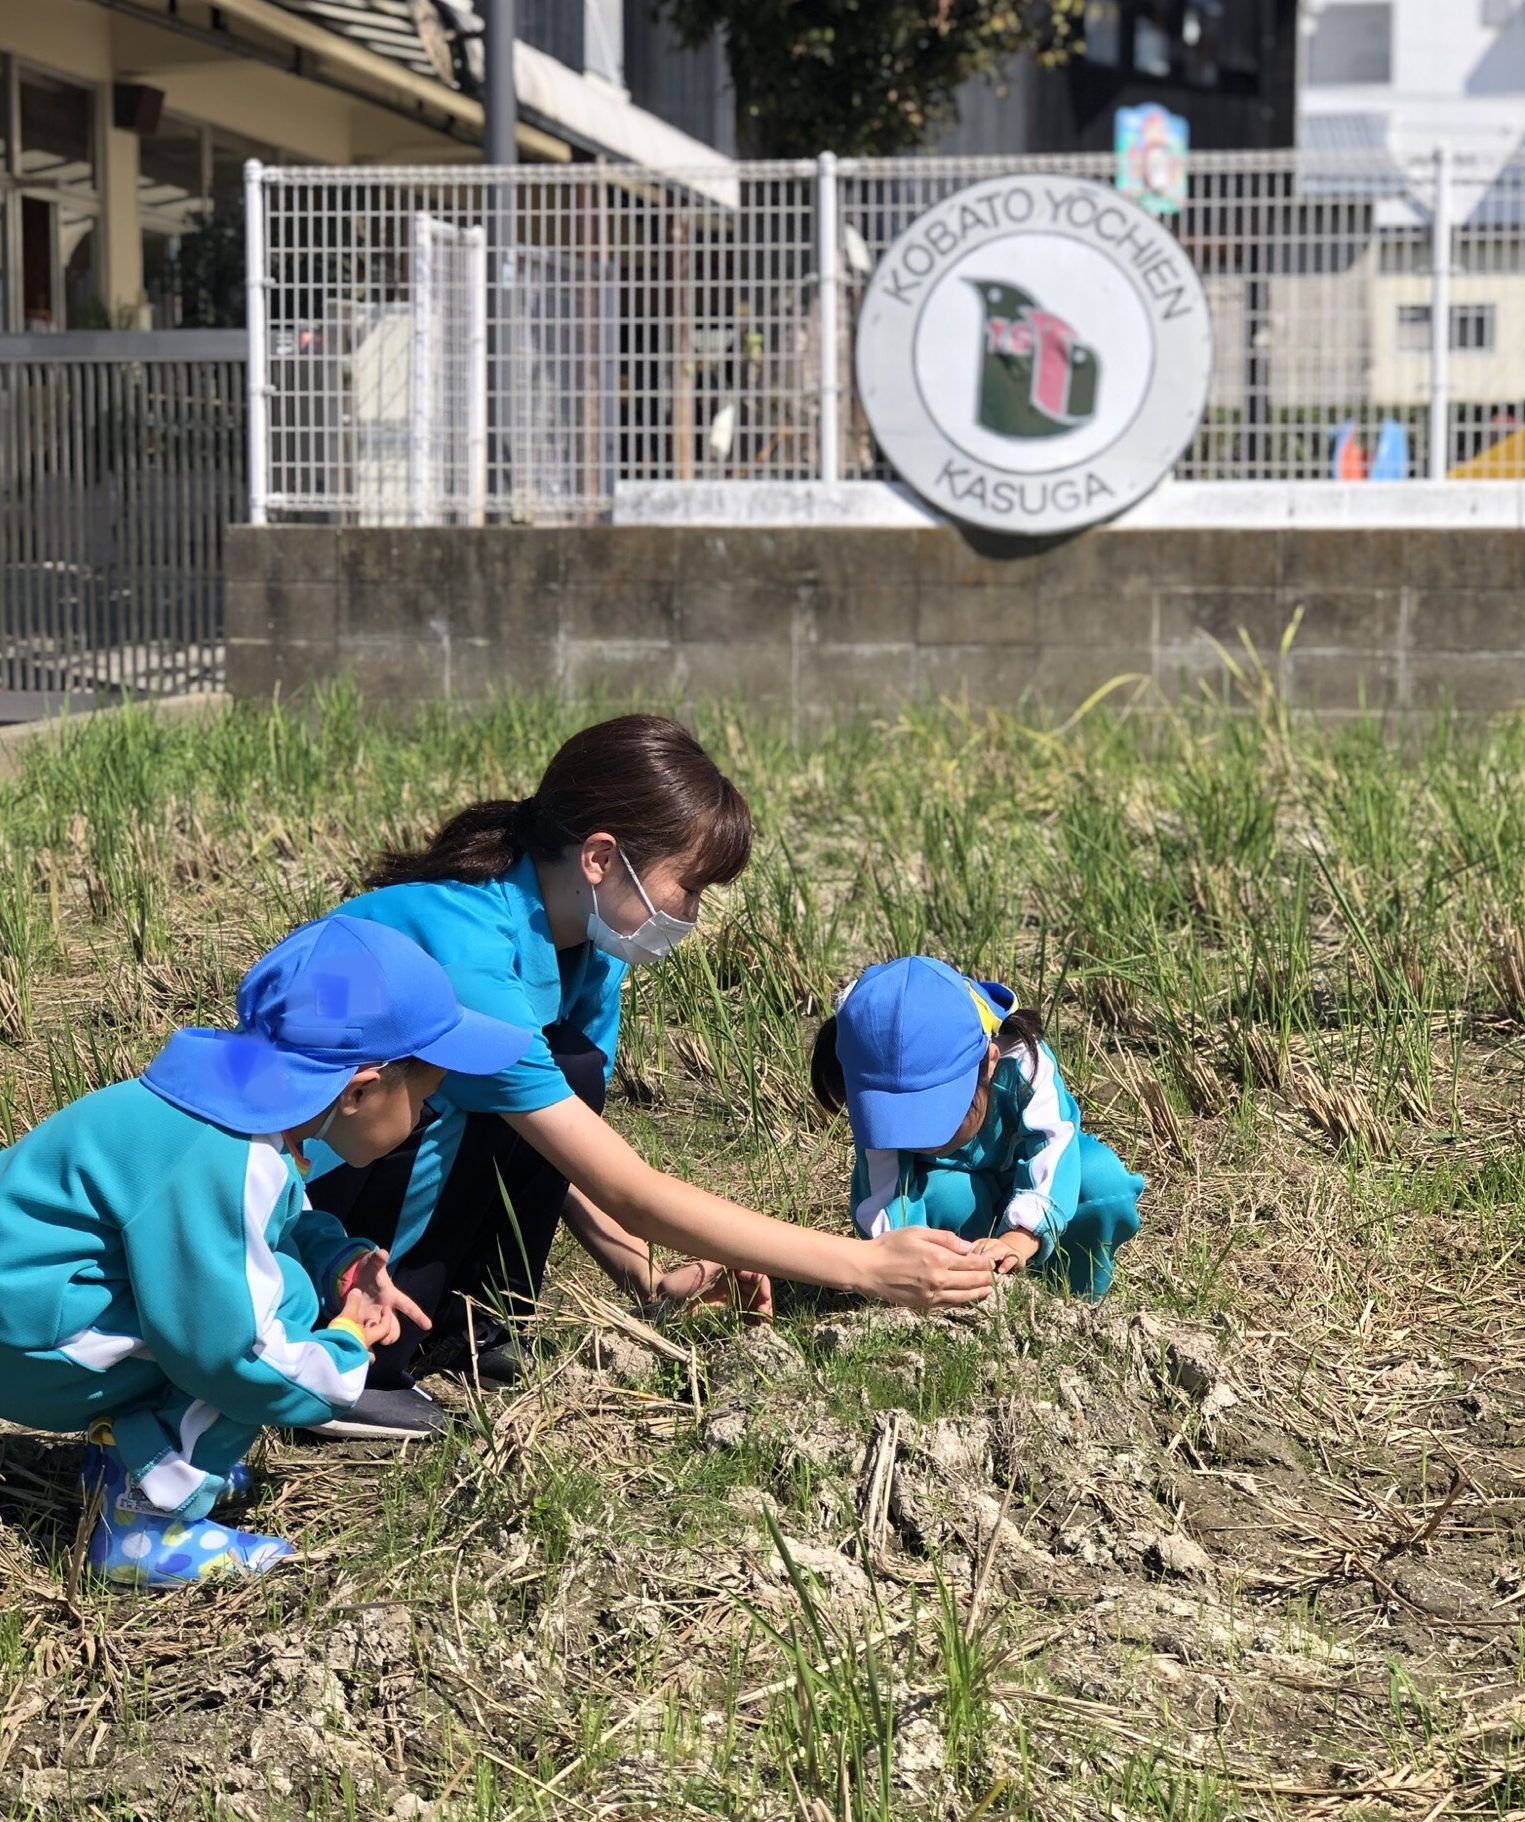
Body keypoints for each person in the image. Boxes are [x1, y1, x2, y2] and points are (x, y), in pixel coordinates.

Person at [305, 716, 994, 1438]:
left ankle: (470, 1326)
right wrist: (864, 1266)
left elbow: (565, 1144)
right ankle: (349, 1364)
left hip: (364, 1164)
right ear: (601, 857)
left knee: (567, 1073)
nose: (692, 916)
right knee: (429, 1104)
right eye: (688, 887)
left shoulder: (586, 947)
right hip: (303, 1186)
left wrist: (646, 1278)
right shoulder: (471, 954)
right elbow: (629, 1190)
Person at [0, 917, 532, 1588]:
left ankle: (144, 1457)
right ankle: (143, 1521)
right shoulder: (226, 1156)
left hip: (31, 1309)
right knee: (276, 1305)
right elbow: (232, 1353)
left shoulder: (224, 1106)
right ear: (361, 1088)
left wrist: (343, 1264)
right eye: (426, 1095)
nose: (425, 1117)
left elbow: (273, 1225)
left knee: (286, 1279)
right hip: (25, 1346)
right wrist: (342, 1351)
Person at [810, 957, 1143, 1298]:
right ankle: (956, 1295)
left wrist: (1021, 1236)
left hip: (1036, 1195)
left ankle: (1066, 1299)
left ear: (988, 1065)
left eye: (936, 1117)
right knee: (947, 1196)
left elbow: (1053, 1151)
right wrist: (898, 1262)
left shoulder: (1024, 1061)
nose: (918, 1138)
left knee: (1101, 1181)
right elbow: (885, 1198)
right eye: (901, 1124)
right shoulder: (876, 1079)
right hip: (955, 1208)